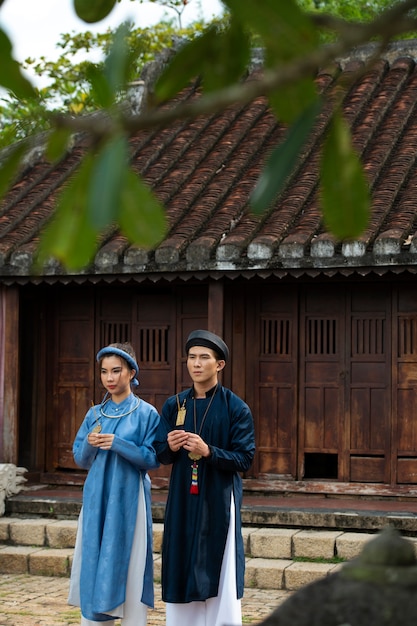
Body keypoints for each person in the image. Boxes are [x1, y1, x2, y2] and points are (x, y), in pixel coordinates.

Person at [154, 329, 256, 626]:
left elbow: (245, 458)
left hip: (218, 495)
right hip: (183, 497)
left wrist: (208, 451)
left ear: (219, 365)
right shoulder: (175, 405)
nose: (196, 364)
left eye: (204, 358)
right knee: (181, 556)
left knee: (218, 562)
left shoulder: (234, 407)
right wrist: (170, 447)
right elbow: (160, 453)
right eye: (191, 357)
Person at [68, 342, 160, 626]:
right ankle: (95, 620)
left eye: (117, 371)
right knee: (94, 555)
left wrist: (118, 444)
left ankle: (133, 620)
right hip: (97, 498)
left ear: (131, 372)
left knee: (130, 561)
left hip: (129, 498)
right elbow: (80, 459)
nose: (110, 378)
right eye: (105, 372)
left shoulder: (147, 414)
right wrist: (91, 444)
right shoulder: (94, 414)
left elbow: (153, 458)